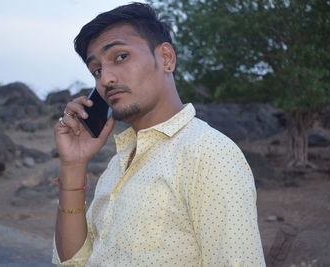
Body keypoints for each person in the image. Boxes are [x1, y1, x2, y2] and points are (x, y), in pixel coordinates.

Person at [52, 3, 265, 266]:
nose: (105, 79)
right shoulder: (118, 164)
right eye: (96, 70)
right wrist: (73, 165)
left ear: (166, 58)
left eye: (120, 57)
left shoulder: (208, 154)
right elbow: (73, 261)